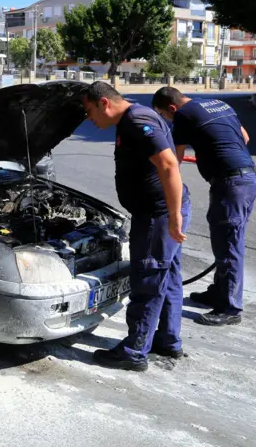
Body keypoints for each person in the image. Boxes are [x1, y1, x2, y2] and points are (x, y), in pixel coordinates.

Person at [81, 82, 191, 372]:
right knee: (167, 278)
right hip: (160, 212)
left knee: (148, 281)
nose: (89, 118)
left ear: (104, 103)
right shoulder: (134, 117)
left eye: (89, 110)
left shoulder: (137, 120)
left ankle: (134, 351)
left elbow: (169, 165)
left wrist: (174, 215)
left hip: (158, 215)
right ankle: (167, 341)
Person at [152, 87, 256, 326]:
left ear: (172, 108)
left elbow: (175, 160)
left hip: (231, 183)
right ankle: (218, 292)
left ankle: (230, 308)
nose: (168, 121)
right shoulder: (217, 103)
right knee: (225, 240)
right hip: (246, 178)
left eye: (165, 116)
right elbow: (244, 137)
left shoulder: (182, 115)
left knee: (229, 244)